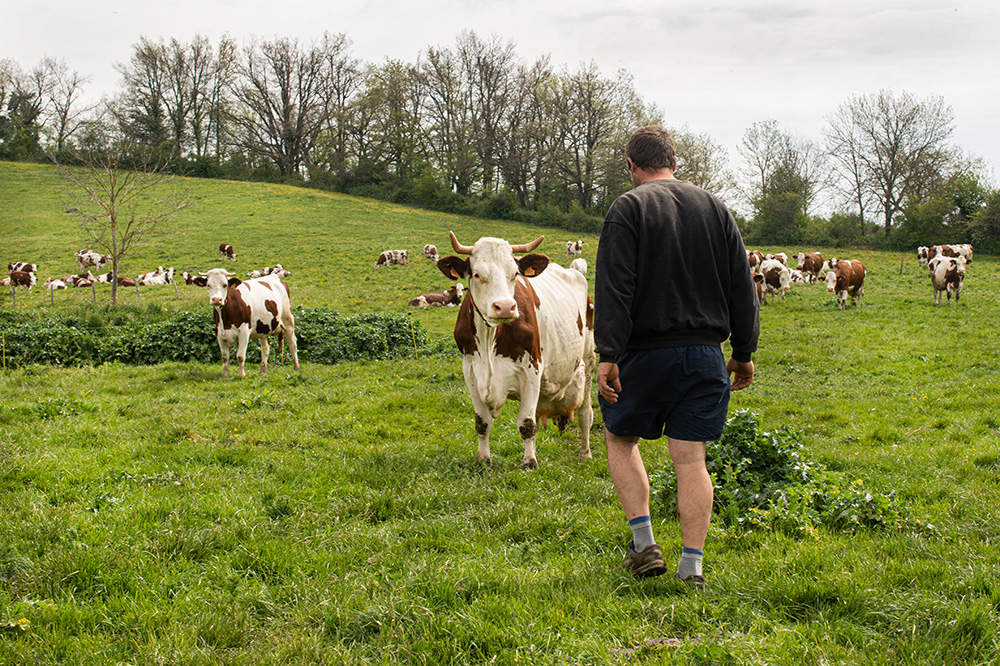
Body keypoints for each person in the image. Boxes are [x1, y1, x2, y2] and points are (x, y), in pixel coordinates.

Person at [594, 125, 759, 588]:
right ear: (673, 161)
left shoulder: (628, 207)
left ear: (631, 165)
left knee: (620, 438)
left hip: (643, 354)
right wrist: (743, 352)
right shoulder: (716, 207)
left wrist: (608, 353)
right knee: (691, 460)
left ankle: (644, 544)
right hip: (707, 354)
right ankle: (692, 567)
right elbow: (742, 289)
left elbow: (614, 286)